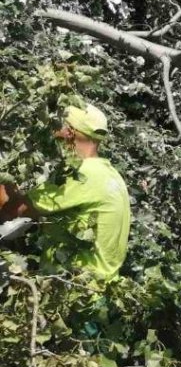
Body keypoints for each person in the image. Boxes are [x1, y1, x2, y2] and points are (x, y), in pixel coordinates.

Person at [0, 104, 180, 367]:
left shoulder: (85, 176)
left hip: (82, 302)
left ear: (71, 133)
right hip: (100, 296)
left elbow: (18, 207)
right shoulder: (107, 173)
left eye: (59, 128)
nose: (53, 134)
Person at [0, 104, 130, 279]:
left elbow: (12, 210)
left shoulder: (80, 175)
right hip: (102, 286)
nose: (52, 130)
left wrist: (4, 173)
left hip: (73, 288)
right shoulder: (111, 174)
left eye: (56, 124)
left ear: (69, 132)